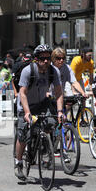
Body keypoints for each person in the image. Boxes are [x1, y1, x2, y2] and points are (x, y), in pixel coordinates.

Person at [14, 44, 64, 181]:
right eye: (43, 58)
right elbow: (22, 93)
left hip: (42, 103)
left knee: (51, 123)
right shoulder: (27, 71)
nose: (46, 61)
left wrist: (60, 111)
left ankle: (44, 149)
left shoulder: (54, 71)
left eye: (48, 58)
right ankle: (18, 162)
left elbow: (59, 93)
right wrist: (27, 112)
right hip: (26, 105)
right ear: (36, 59)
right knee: (23, 133)